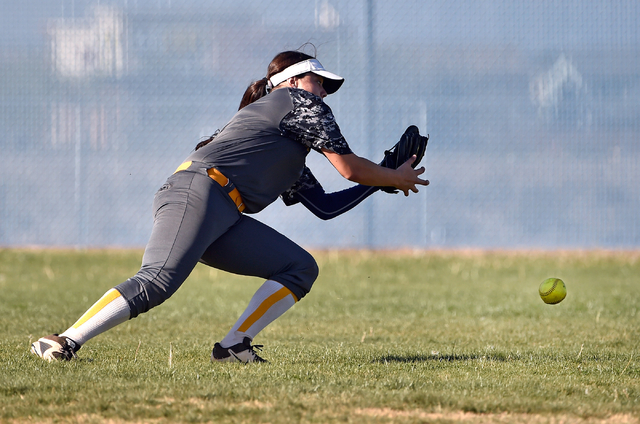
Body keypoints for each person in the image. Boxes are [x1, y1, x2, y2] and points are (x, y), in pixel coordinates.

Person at [31, 49, 429, 363]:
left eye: (326, 86)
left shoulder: (284, 145)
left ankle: (235, 345)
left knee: (300, 267)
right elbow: (348, 169)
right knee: (157, 281)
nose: (323, 90)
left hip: (221, 210)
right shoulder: (295, 102)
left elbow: (324, 207)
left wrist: (382, 181)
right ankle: (63, 341)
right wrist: (389, 176)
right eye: (318, 80)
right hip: (200, 192)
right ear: (290, 82)